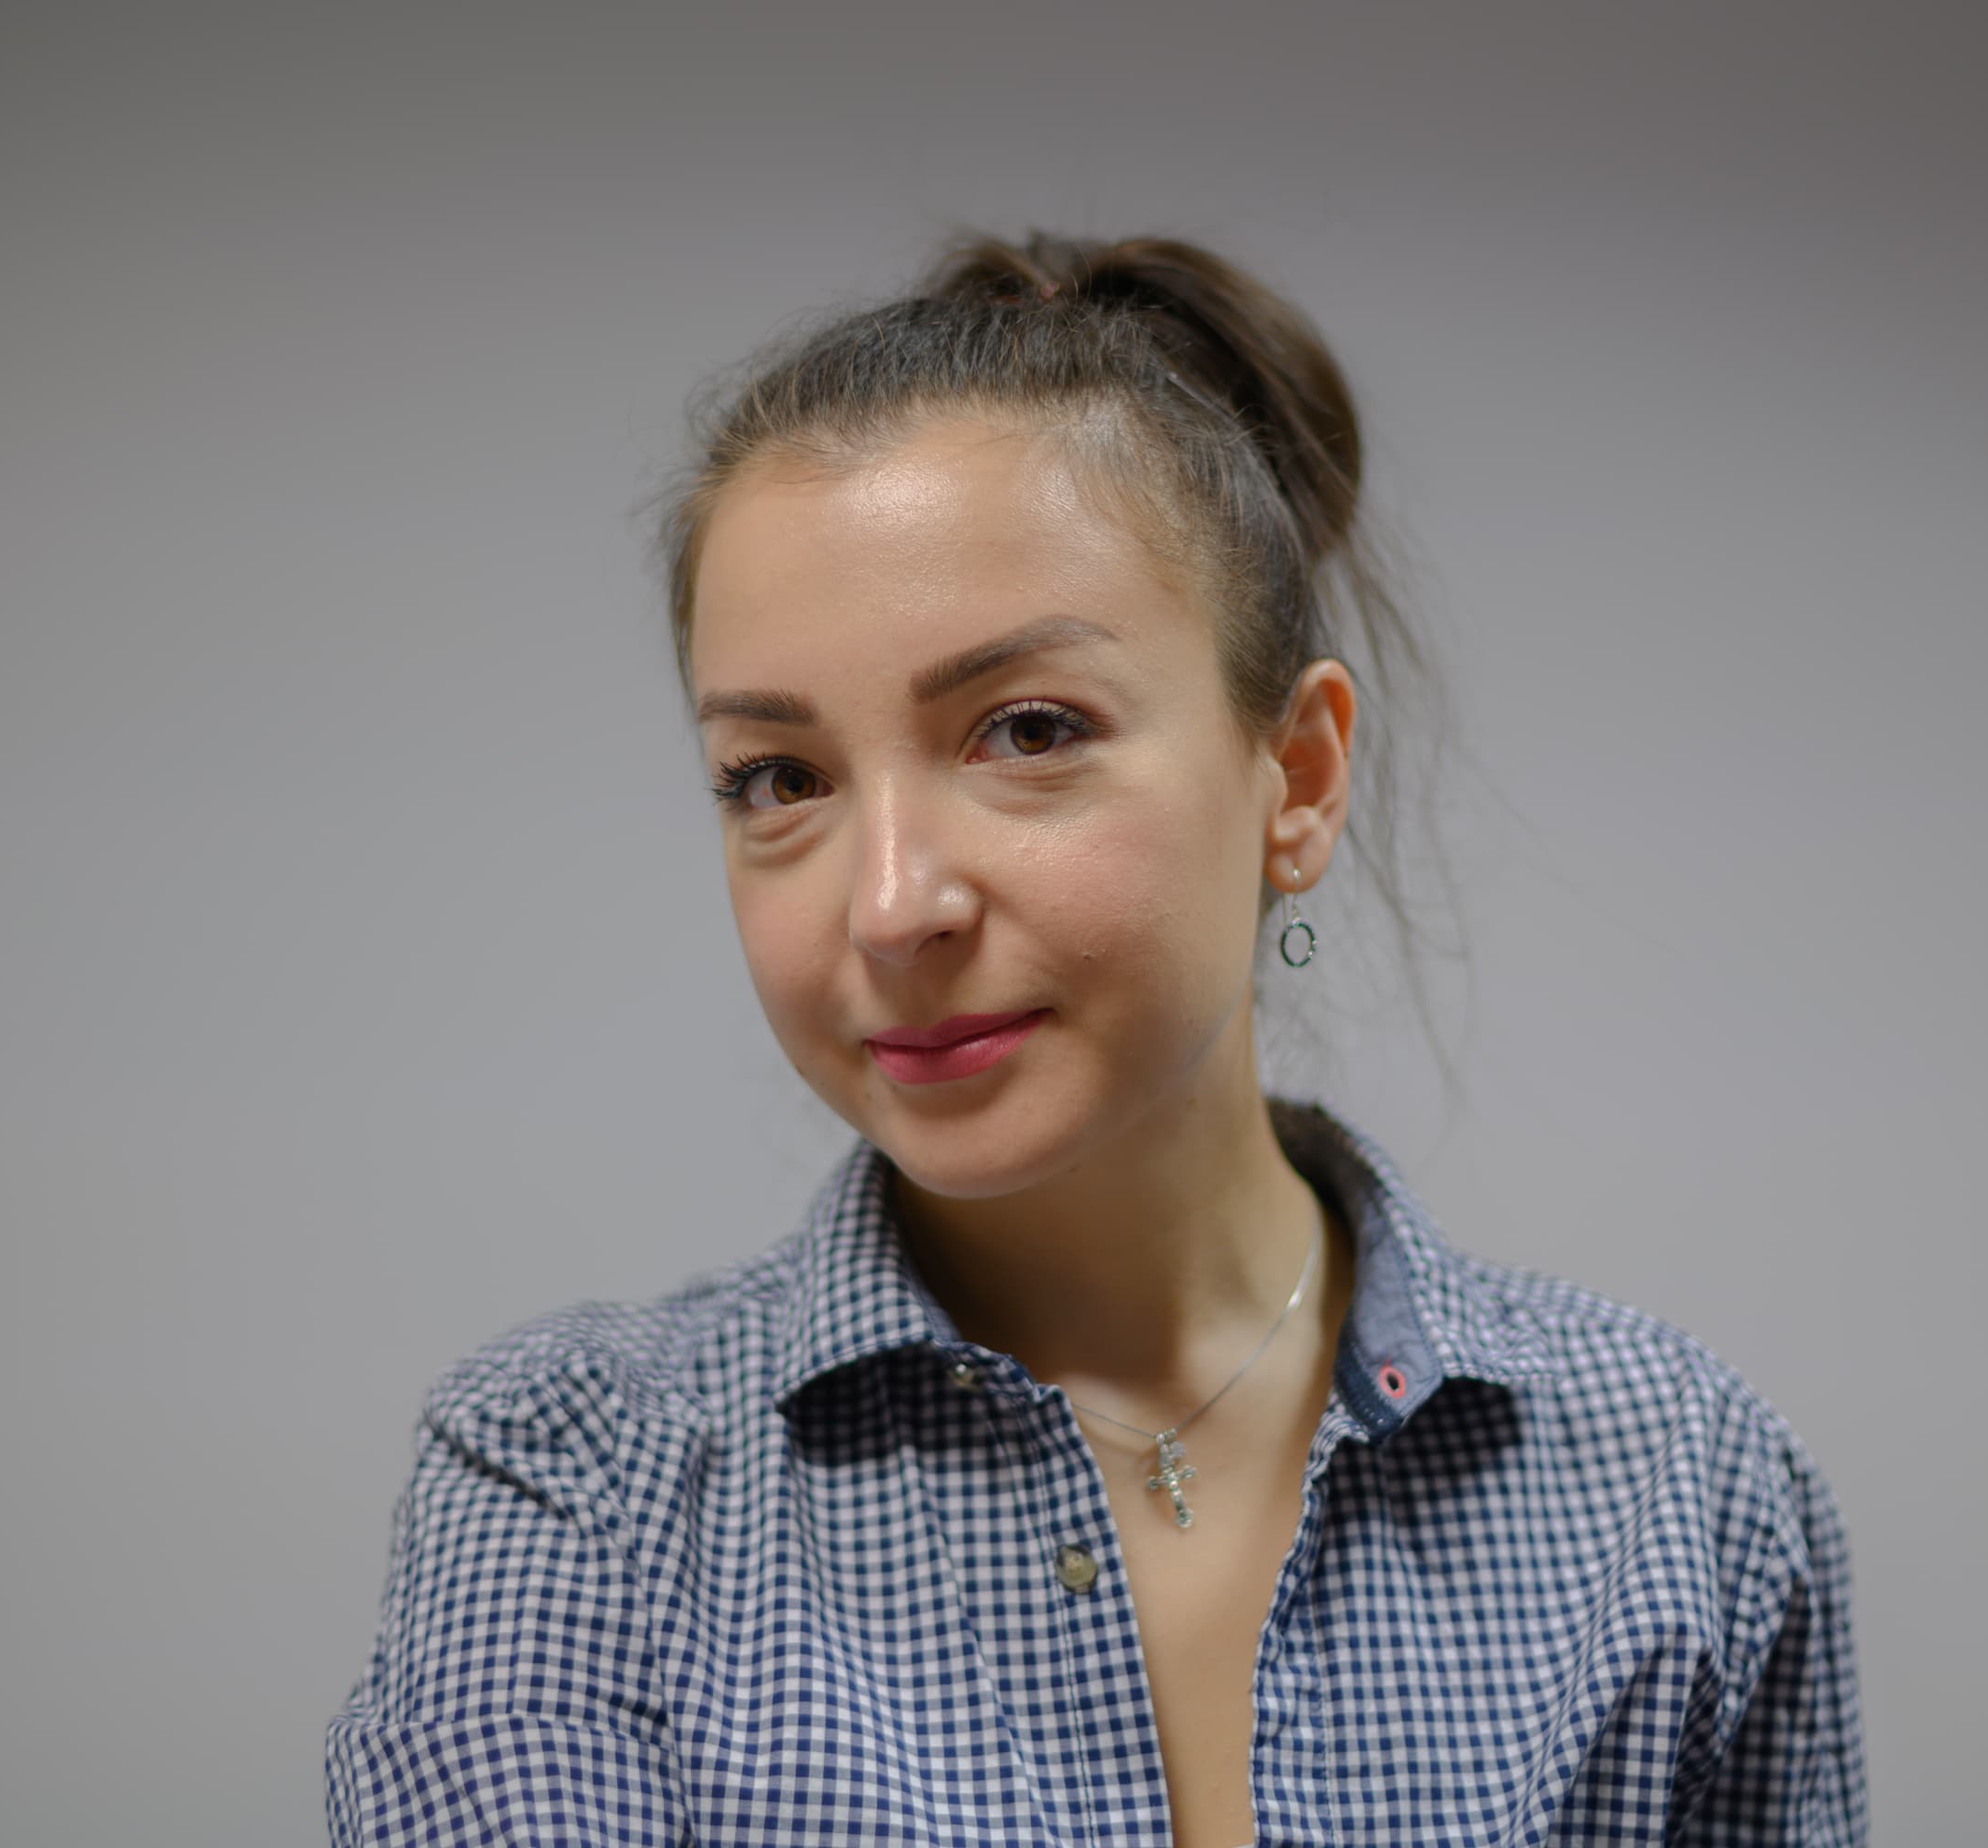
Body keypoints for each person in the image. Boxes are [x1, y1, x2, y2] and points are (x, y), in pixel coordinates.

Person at [323, 230, 1867, 1846]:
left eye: (1028, 731)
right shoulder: (577, 1482)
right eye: (779, 779)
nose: (892, 906)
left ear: (1298, 778)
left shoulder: (1675, 1489)